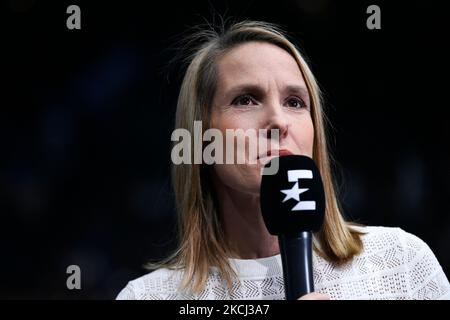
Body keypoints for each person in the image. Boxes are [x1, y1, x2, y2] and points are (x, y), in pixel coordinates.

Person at [116, 21, 450, 300]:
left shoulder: (402, 263)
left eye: (294, 102)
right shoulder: (148, 296)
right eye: (246, 100)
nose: (278, 121)